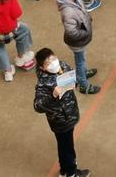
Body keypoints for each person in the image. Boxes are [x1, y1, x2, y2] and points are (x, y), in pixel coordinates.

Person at [32, 48, 91, 177]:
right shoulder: (43, 84)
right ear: (42, 68)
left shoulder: (62, 66)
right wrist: (53, 96)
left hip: (70, 114)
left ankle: (64, 170)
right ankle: (71, 173)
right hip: (60, 121)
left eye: (53, 58)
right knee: (67, 148)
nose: (53, 63)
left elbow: (71, 76)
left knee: (64, 146)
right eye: (48, 63)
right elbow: (38, 106)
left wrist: (73, 82)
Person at [56, 0, 100, 95]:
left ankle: (84, 72)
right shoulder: (68, 11)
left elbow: (82, 10)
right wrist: (85, 33)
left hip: (81, 40)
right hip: (77, 41)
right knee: (79, 62)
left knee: (82, 59)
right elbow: (71, 32)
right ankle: (84, 85)